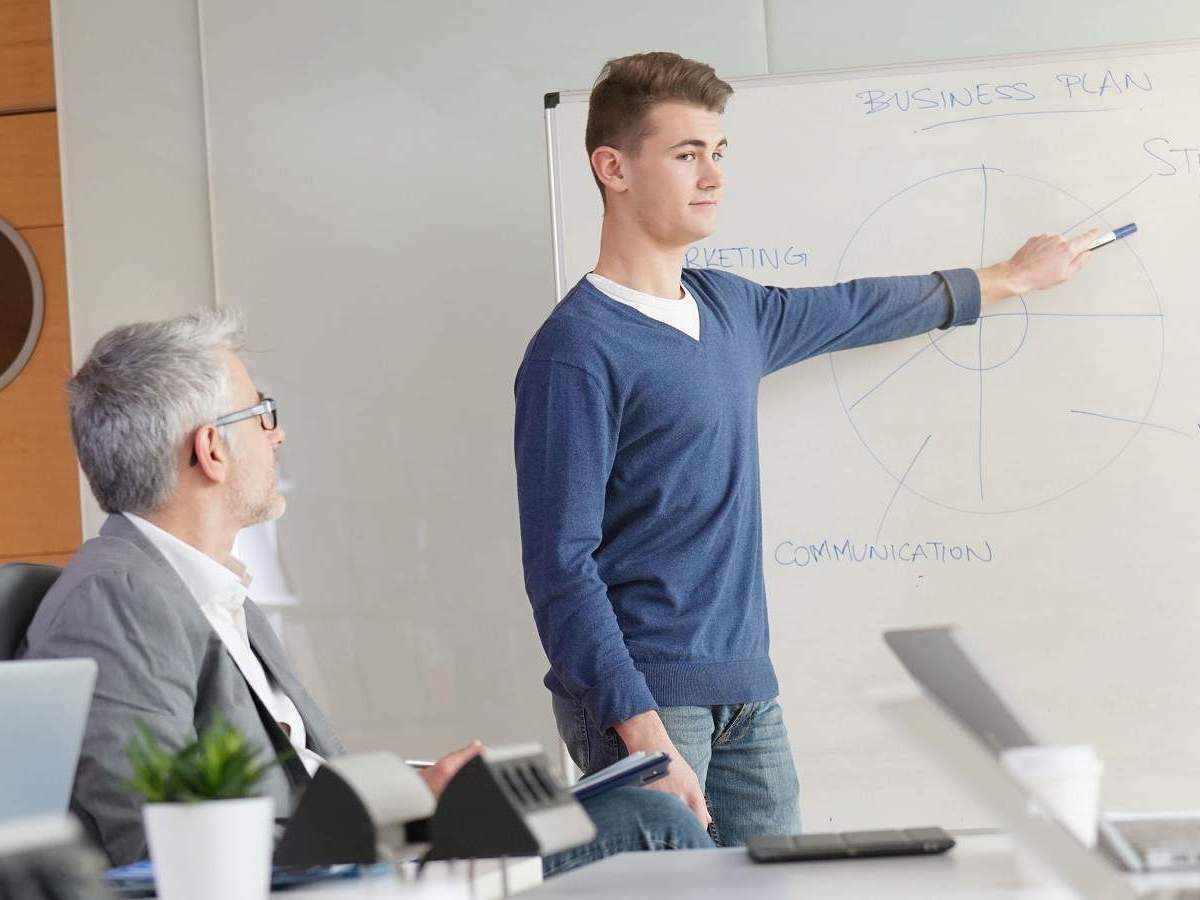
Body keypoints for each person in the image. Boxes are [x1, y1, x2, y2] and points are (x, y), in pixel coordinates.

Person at [513, 51, 1101, 846]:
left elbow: (862, 307)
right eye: (687, 155)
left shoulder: (732, 311)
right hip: (646, 703)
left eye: (718, 154)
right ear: (612, 167)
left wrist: (1011, 280)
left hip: (750, 694)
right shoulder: (576, 351)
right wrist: (640, 732)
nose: (713, 176)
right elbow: (559, 564)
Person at [19, 311, 711, 872]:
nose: (279, 434)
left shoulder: (214, 595)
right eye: (262, 413)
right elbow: (164, 849)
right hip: (347, 876)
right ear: (212, 449)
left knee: (625, 811)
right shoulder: (114, 598)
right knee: (652, 824)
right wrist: (410, 813)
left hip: (373, 862)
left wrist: (427, 792)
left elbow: (310, 783)